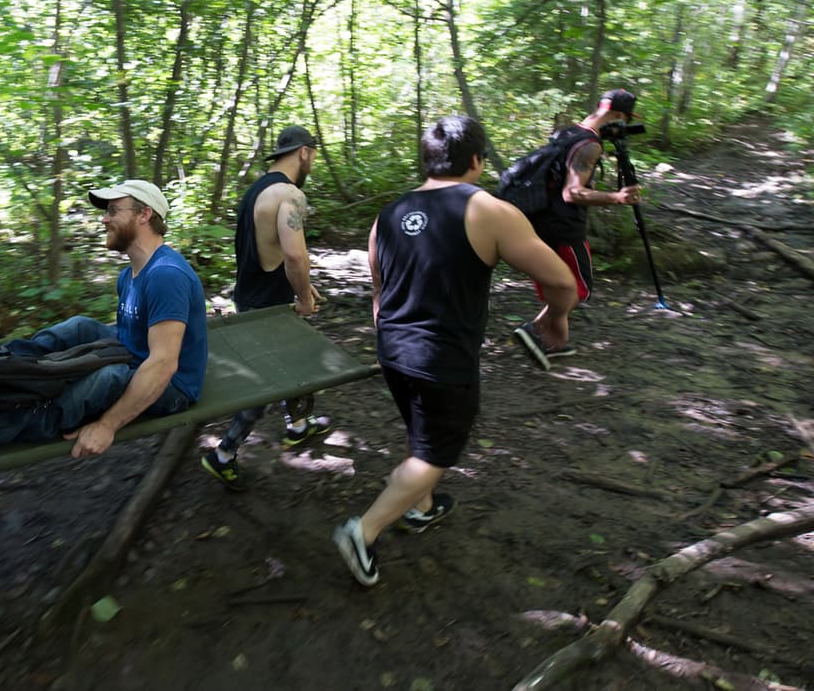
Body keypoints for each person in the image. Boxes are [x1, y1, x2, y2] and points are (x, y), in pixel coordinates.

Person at [333, 115, 577, 587]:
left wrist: (392, 340)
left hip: (392, 347)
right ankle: (363, 532)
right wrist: (556, 319)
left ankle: (421, 506)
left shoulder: (387, 214)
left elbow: (379, 291)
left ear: (426, 161)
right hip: (439, 355)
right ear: (476, 161)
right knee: (437, 451)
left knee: (424, 432)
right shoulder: (487, 210)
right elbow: (562, 280)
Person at [0, 180, 209, 459]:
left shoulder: (166, 275)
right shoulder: (128, 276)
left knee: (107, 379)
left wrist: (107, 425)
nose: (104, 219)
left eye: (113, 211)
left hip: (173, 387)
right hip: (132, 354)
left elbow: (163, 365)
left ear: (144, 215)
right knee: (81, 326)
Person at [200, 125, 331, 490]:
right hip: (269, 308)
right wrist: (303, 299)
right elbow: (293, 253)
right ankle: (223, 454)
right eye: (314, 155)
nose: (313, 162)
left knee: (296, 361)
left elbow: (265, 251)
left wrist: (303, 285)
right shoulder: (290, 194)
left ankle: (298, 425)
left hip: (251, 294)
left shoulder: (255, 192)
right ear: (304, 152)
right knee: (265, 382)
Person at [512, 89, 642, 371]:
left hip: (540, 220)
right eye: (625, 119)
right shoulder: (589, 145)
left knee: (556, 283)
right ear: (619, 116)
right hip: (565, 228)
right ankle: (534, 329)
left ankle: (555, 343)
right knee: (578, 289)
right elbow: (572, 193)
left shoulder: (568, 132)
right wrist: (616, 198)